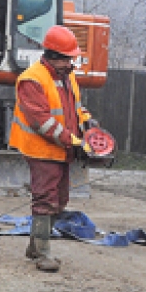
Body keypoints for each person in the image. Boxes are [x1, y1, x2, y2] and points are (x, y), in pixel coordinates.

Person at [9, 25, 97, 272]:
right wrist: (77, 142)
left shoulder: (66, 77)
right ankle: (43, 254)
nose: (72, 63)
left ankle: (35, 245)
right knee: (45, 200)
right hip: (41, 150)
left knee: (60, 200)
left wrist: (88, 122)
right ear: (54, 56)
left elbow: (76, 108)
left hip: (61, 149)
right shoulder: (32, 80)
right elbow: (43, 123)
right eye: (69, 58)